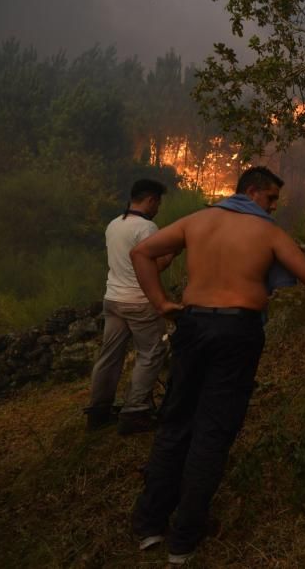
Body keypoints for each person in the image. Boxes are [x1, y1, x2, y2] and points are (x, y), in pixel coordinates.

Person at [129, 166, 305, 565]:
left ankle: (149, 525)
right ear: (252, 192)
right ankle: (184, 539)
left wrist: (162, 303)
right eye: (269, 199)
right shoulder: (267, 232)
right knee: (212, 431)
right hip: (236, 332)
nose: (273, 208)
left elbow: (141, 252)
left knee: (176, 423)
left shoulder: (198, 220)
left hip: (193, 326)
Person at [85, 179, 175, 434]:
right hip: (139, 301)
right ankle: (135, 411)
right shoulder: (147, 228)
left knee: (109, 356)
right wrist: (174, 251)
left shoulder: (114, 224)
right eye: (158, 202)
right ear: (150, 201)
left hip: (113, 299)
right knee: (152, 351)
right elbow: (155, 266)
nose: (158, 208)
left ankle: (98, 411)